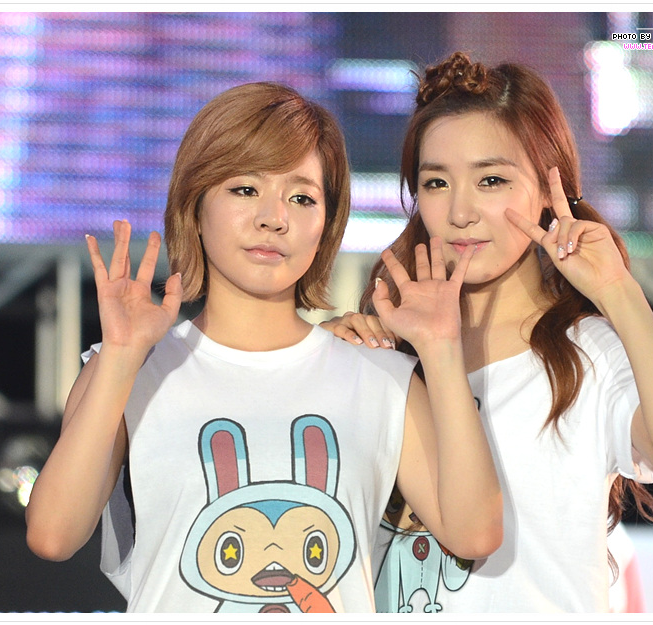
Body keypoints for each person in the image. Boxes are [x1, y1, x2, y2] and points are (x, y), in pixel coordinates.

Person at [25, 82, 502, 613]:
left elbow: (474, 533)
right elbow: (53, 535)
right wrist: (120, 354)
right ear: (195, 205)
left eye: (301, 198)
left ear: (327, 224)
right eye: (245, 189)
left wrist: (440, 348)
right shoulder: (130, 367)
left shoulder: (381, 378)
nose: (274, 218)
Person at [321, 52, 653, 612]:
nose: (460, 211)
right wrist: (326, 363)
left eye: (491, 180)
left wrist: (618, 290)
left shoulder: (583, 352)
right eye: (436, 182)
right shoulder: (393, 347)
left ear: (550, 189)